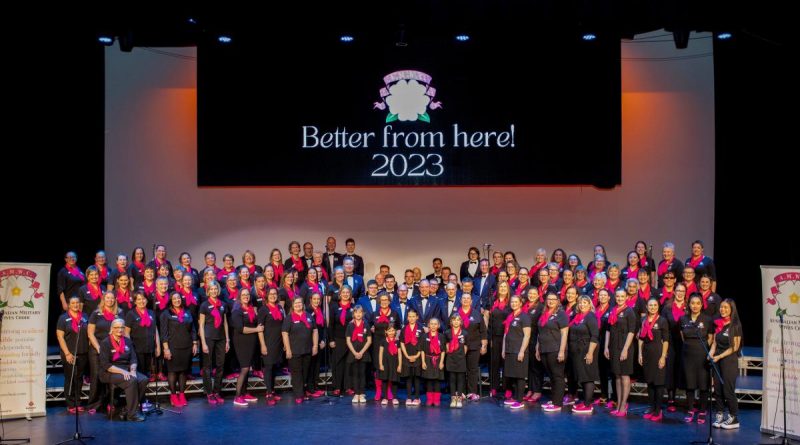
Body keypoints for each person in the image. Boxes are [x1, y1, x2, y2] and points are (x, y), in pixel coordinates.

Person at [99, 319, 149, 421]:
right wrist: (124, 372)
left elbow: (133, 358)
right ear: (112, 329)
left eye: (122, 327)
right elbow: (105, 365)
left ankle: (127, 408)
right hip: (109, 372)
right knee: (131, 380)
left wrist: (133, 370)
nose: (120, 330)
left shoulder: (127, 341)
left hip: (126, 369)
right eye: (117, 327)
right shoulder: (105, 342)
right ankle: (132, 414)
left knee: (143, 379)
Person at [86, 291, 124, 413]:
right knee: (97, 376)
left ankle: (111, 402)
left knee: (113, 377)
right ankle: (94, 404)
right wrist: (98, 348)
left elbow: (122, 331)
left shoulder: (120, 313)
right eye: (107, 298)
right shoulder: (96, 313)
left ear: (115, 300)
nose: (110, 300)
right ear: (103, 299)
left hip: (113, 349)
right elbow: (90, 333)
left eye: (112, 298)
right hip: (97, 349)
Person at [680, 293, 713, 424]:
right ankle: (690, 409)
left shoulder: (707, 319)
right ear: (689, 304)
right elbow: (682, 336)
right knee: (690, 383)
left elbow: (710, 337)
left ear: (701, 305)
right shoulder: (683, 319)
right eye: (692, 303)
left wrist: (706, 350)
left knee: (703, 383)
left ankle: (702, 410)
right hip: (687, 354)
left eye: (698, 303)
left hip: (702, 353)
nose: (695, 306)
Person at [710, 299, 743, 430]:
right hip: (717, 359)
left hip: (728, 360)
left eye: (726, 307)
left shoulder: (735, 326)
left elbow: (734, 347)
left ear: (731, 310)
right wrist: (711, 354)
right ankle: (720, 414)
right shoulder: (718, 324)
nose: (723, 309)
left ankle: (734, 417)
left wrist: (719, 356)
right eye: (721, 307)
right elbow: (714, 343)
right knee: (717, 389)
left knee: (727, 390)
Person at [160, 292, 197, 407]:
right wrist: (166, 349)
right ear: (170, 300)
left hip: (186, 346)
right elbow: (164, 332)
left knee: (183, 371)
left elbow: (193, 329)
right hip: (172, 347)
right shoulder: (166, 314)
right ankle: (173, 395)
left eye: (179, 298)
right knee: (172, 372)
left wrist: (195, 343)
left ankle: (181, 394)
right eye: (174, 298)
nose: (177, 300)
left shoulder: (187, 312)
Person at [124, 291, 160, 406]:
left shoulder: (151, 313)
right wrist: (130, 350)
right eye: (138, 299)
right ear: (134, 302)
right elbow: (126, 333)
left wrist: (158, 346)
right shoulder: (131, 314)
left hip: (149, 348)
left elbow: (155, 330)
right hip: (136, 350)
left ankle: (142, 400)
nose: (141, 301)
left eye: (143, 298)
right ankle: (138, 401)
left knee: (145, 375)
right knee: (139, 376)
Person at [605, 289, 636, 417]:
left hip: (624, 347)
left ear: (626, 297)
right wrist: (606, 347)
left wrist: (625, 349)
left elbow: (631, 332)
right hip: (613, 347)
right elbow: (608, 330)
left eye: (622, 296)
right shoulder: (612, 310)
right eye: (617, 296)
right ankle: (618, 404)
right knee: (617, 376)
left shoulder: (629, 312)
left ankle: (623, 405)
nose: (619, 298)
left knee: (624, 375)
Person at [56, 295, 90, 413]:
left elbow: (89, 334)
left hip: (83, 353)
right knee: (70, 378)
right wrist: (67, 353)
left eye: (77, 303)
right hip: (69, 353)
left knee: (79, 379)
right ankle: (70, 404)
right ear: (69, 305)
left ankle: (78, 402)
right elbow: (60, 337)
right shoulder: (63, 318)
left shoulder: (85, 317)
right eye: (73, 303)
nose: (75, 305)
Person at [536, 292, 569, 413]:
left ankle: (557, 403)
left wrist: (561, 351)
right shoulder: (544, 314)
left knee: (557, 376)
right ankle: (555, 398)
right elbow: (540, 332)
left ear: (558, 301)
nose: (550, 301)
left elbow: (564, 333)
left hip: (556, 349)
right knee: (551, 376)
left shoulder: (561, 314)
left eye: (553, 299)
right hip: (544, 349)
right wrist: (537, 348)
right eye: (548, 299)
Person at [282, 296, 319, 404]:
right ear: (293, 305)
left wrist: (315, 346)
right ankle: (299, 395)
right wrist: (288, 350)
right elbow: (284, 334)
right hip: (294, 351)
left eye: (300, 303)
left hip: (307, 350)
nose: (298, 305)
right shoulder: (289, 318)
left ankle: (302, 391)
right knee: (297, 373)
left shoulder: (308, 316)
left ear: (303, 304)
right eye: (296, 303)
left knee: (305, 372)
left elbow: (315, 331)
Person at [198, 280, 230, 404]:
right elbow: (201, 325)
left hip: (221, 338)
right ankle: (209, 392)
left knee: (220, 366)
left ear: (218, 290)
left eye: (215, 289)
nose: (214, 291)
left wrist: (227, 339)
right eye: (211, 289)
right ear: (208, 291)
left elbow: (225, 323)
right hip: (208, 338)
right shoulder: (204, 305)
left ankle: (217, 391)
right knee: (207, 367)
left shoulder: (223, 304)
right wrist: (203, 343)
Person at [638, 298, 670, 421]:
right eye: (650, 305)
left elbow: (666, 340)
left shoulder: (662, 321)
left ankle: (658, 410)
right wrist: (639, 354)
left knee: (658, 383)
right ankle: (651, 407)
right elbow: (641, 338)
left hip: (658, 353)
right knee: (650, 382)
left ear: (658, 306)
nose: (652, 307)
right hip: (646, 353)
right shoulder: (643, 320)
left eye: (655, 305)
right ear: (647, 307)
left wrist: (663, 356)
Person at [231, 288, 263, 406]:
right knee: (244, 369)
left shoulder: (250, 309)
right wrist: (256, 329)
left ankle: (244, 393)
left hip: (251, 342)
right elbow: (241, 329)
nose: (246, 296)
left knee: (247, 367)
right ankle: (237, 396)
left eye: (248, 295)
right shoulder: (237, 311)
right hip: (242, 342)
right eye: (243, 295)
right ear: (239, 296)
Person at [569, 295, 600, 414]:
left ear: (590, 305)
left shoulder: (590, 316)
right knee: (582, 377)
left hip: (587, 349)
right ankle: (586, 401)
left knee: (588, 377)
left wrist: (590, 353)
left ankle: (588, 405)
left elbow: (595, 336)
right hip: (577, 351)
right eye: (580, 303)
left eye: (585, 303)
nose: (582, 305)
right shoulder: (577, 316)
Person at [502, 295, 531, 410]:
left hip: (518, 350)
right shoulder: (510, 316)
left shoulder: (525, 317)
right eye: (512, 302)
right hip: (510, 350)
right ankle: (515, 397)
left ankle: (520, 400)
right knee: (512, 375)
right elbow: (505, 334)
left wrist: (522, 351)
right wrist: (504, 349)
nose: (513, 304)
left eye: (516, 302)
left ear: (520, 303)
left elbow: (527, 336)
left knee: (520, 376)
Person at [662, 283, 688, 412]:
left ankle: (688, 399)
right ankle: (671, 399)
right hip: (671, 342)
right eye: (678, 290)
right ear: (674, 292)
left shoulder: (689, 307)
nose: (680, 293)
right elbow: (663, 326)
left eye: (682, 291)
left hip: (685, 343)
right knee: (670, 369)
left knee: (683, 369)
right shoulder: (667, 307)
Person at [257, 288, 285, 405]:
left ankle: (272, 391)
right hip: (268, 342)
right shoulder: (263, 310)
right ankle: (268, 393)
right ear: (267, 296)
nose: (273, 296)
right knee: (268, 368)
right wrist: (263, 345)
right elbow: (260, 329)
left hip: (278, 342)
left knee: (274, 368)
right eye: (271, 294)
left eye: (275, 294)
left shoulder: (279, 308)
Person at [458, 293, 487, 402]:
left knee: (472, 369)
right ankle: (461, 392)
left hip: (474, 346)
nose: (465, 300)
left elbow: (483, 331)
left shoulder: (477, 314)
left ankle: (472, 392)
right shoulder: (456, 314)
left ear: (471, 301)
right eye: (463, 298)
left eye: (468, 299)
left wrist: (484, 345)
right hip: (459, 347)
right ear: (460, 300)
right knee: (460, 370)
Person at [486, 281, 512, 396]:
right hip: (494, 336)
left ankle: (507, 388)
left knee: (507, 362)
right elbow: (486, 317)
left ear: (508, 289)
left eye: (504, 287)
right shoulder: (492, 301)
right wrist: (488, 336)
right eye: (500, 286)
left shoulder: (512, 302)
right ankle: (494, 387)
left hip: (508, 337)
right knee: (494, 362)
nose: (502, 288)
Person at [329, 285, 354, 396]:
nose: (345, 294)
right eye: (343, 292)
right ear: (339, 294)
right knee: (337, 364)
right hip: (338, 339)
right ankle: (337, 387)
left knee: (349, 364)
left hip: (351, 340)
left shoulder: (354, 307)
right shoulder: (334, 307)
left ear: (350, 295)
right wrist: (331, 339)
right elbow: (331, 325)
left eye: (347, 292)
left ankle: (348, 387)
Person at [345, 305, 372, 404]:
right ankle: (356, 394)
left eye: (360, 312)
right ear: (353, 314)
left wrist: (361, 352)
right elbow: (348, 340)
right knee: (355, 374)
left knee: (362, 373)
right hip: (353, 353)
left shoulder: (366, 325)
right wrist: (355, 353)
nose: (358, 314)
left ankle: (362, 393)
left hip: (363, 353)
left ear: (363, 314)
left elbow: (369, 340)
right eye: (356, 312)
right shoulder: (350, 325)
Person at [400, 308, 424, 405]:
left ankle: (417, 398)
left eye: (413, 316)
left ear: (417, 317)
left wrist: (417, 355)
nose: (411, 318)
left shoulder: (420, 329)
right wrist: (406, 355)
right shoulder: (404, 329)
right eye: (409, 316)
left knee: (417, 378)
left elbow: (422, 344)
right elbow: (401, 343)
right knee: (408, 378)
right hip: (407, 356)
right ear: (407, 318)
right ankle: (409, 397)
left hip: (417, 356)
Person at [305, 292, 327, 398]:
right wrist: (317, 342)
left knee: (317, 366)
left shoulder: (320, 310)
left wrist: (323, 340)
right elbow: (310, 329)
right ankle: (310, 388)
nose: (317, 301)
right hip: (312, 343)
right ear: (310, 300)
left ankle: (315, 386)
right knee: (311, 366)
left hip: (320, 342)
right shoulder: (308, 311)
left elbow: (322, 328)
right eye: (315, 299)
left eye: (318, 299)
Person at [421, 318, 445, 406]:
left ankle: (437, 399)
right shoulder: (424, 336)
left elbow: (443, 351)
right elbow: (422, 350)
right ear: (428, 325)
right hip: (428, 359)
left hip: (438, 360)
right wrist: (423, 362)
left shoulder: (441, 336)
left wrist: (442, 362)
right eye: (431, 324)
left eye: (435, 324)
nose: (433, 326)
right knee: (429, 380)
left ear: (438, 326)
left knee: (437, 380)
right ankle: (430, 399)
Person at [377, 325, 402, 406]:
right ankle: (385, 397)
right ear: (386, 332)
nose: (391, 332)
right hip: (385, 363)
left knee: (394, 380)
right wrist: (381, 364)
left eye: (392, 330)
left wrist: (400, 365)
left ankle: (394, 397)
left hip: (394, 364)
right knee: (385, 380)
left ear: (395, 332)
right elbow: (380, 353)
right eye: (389, 330)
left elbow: (400, 354)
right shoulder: (383, 341)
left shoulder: (397, 342)